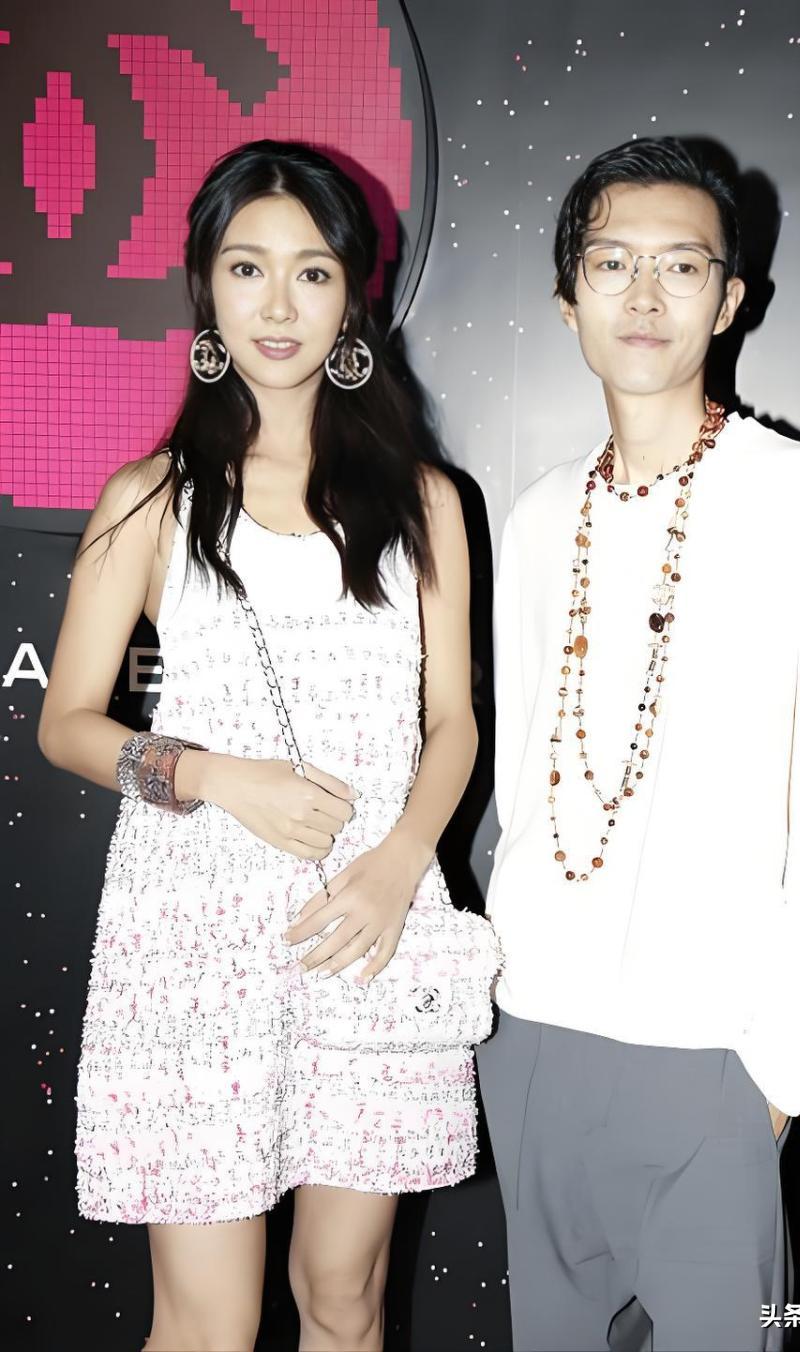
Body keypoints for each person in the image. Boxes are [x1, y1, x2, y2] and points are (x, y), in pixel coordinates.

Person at [38, 139, 499, 1352]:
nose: (279, 305)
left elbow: (452, 720)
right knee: (208, 1322)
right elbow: (67, 719)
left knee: (345, 1300)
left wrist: (402, 858)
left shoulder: (426, 500)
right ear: (206, 287)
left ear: (353, 295)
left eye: (312, 272)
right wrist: (211, 775)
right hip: (193, 937)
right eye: (248, 268)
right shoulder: (149, 497)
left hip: (368, 923)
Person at [476, 137, 800, 1352]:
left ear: (729, 300)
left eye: (681, 265)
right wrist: (507, 1022)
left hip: (719, 1053)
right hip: (535, 1036)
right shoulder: (537, 517)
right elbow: (524, 784)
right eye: (611, 262)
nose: (644, 293)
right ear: (567, 297)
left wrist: (781, 1070)